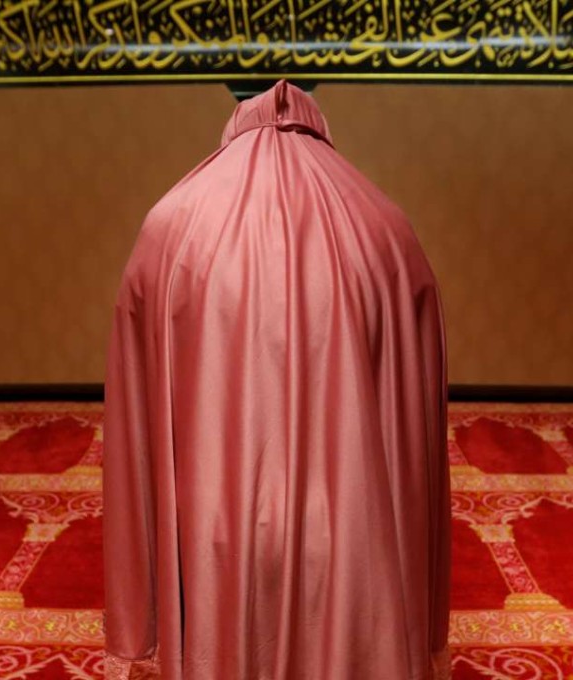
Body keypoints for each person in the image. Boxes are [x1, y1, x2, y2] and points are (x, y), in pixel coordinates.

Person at [103, 79, 450, 680]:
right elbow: (420, 445)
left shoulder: (171, 226)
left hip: (219, 541)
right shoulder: (387, 229)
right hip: (351, 542)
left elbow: (134, 431)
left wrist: (140, 613)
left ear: (228, 89)